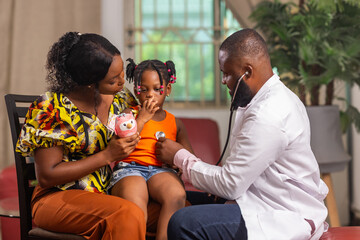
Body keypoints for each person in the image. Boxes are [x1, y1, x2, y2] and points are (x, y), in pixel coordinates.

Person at [155, 28, 329, 240]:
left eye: (227, 73)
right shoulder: (260, 100)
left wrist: (178, 156)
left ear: (247, 71)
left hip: (280, 213)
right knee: (173, 199)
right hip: (256, 197)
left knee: (184, 222)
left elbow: (231, 184)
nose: (223, 81)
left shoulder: (270, 113)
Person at [16, 32, 147, 239]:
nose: (123, 81)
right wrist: (107, 156)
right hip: (57, 198)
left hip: (107, 192)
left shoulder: (119, 98)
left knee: (178, 211)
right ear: (89, 81)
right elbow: (47, 175)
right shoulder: (51, 108)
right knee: (127, 214)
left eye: (122, 72)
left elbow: (142, 127)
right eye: (114, 78)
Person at [109, 58, 193, 240]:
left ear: (168, 90)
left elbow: (189, 156)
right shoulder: (128, 114)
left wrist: (178, 163)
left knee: (177, 195)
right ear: (136, 91)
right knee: (135, 201)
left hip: (161, 170)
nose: (150, 95)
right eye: (143, 89)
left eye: (157, 89)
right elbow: (124, 140)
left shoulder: (175, 122)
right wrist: (142, 118)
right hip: (129, 168)